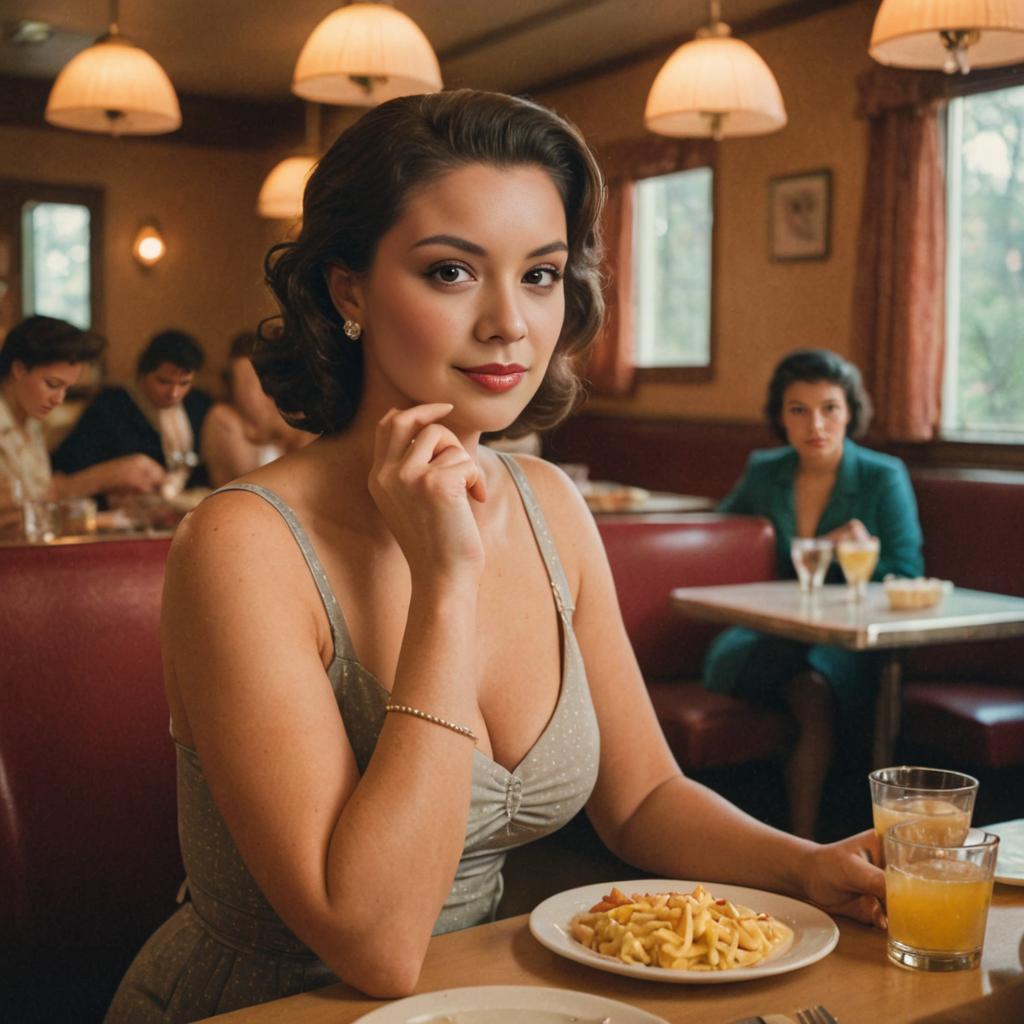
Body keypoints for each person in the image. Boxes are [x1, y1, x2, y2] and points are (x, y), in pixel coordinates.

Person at [105, 92, 886, 1023]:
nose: (510, 323)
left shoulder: (550, 505)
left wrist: (808, 865)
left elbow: (641, 799)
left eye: (542, 275)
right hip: (270, 1005)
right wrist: (447, 583)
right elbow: (377, 943)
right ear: (346, 288)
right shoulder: (242, 544)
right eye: (450, 272)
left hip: (477, 996)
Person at [703, 349, 924, 839]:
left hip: (841, 643)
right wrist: (823, 547)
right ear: (780, 417)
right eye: (798, 409)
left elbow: (906, 570)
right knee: (803, 688)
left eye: (829, 408)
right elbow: (720, 541)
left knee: (814, 692)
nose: (815, 424)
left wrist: (856, 554)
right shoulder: (765, 470)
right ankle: (800, 843)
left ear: (850, 413)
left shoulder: (882, 476)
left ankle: (804, 840)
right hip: (764, 636)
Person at [0, 315, 166, 521]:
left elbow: (42, 495)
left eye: (66, 389)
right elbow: (13, 518)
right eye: (52, 384)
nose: (59, 400)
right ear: (19, 369)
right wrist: (104, 479)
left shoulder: (29, 422)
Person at [53, 328, 212, 494]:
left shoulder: (198, 404)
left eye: (184, 383)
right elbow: (70, 465)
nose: (174, 393)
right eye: (163, 382)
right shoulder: (110, 406)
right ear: (142, 375)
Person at [200, 330, 313, 488]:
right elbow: (244, 480)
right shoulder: (223, 418)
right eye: (242, 384)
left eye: (254, 383)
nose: (250, 396)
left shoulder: (292, 417)